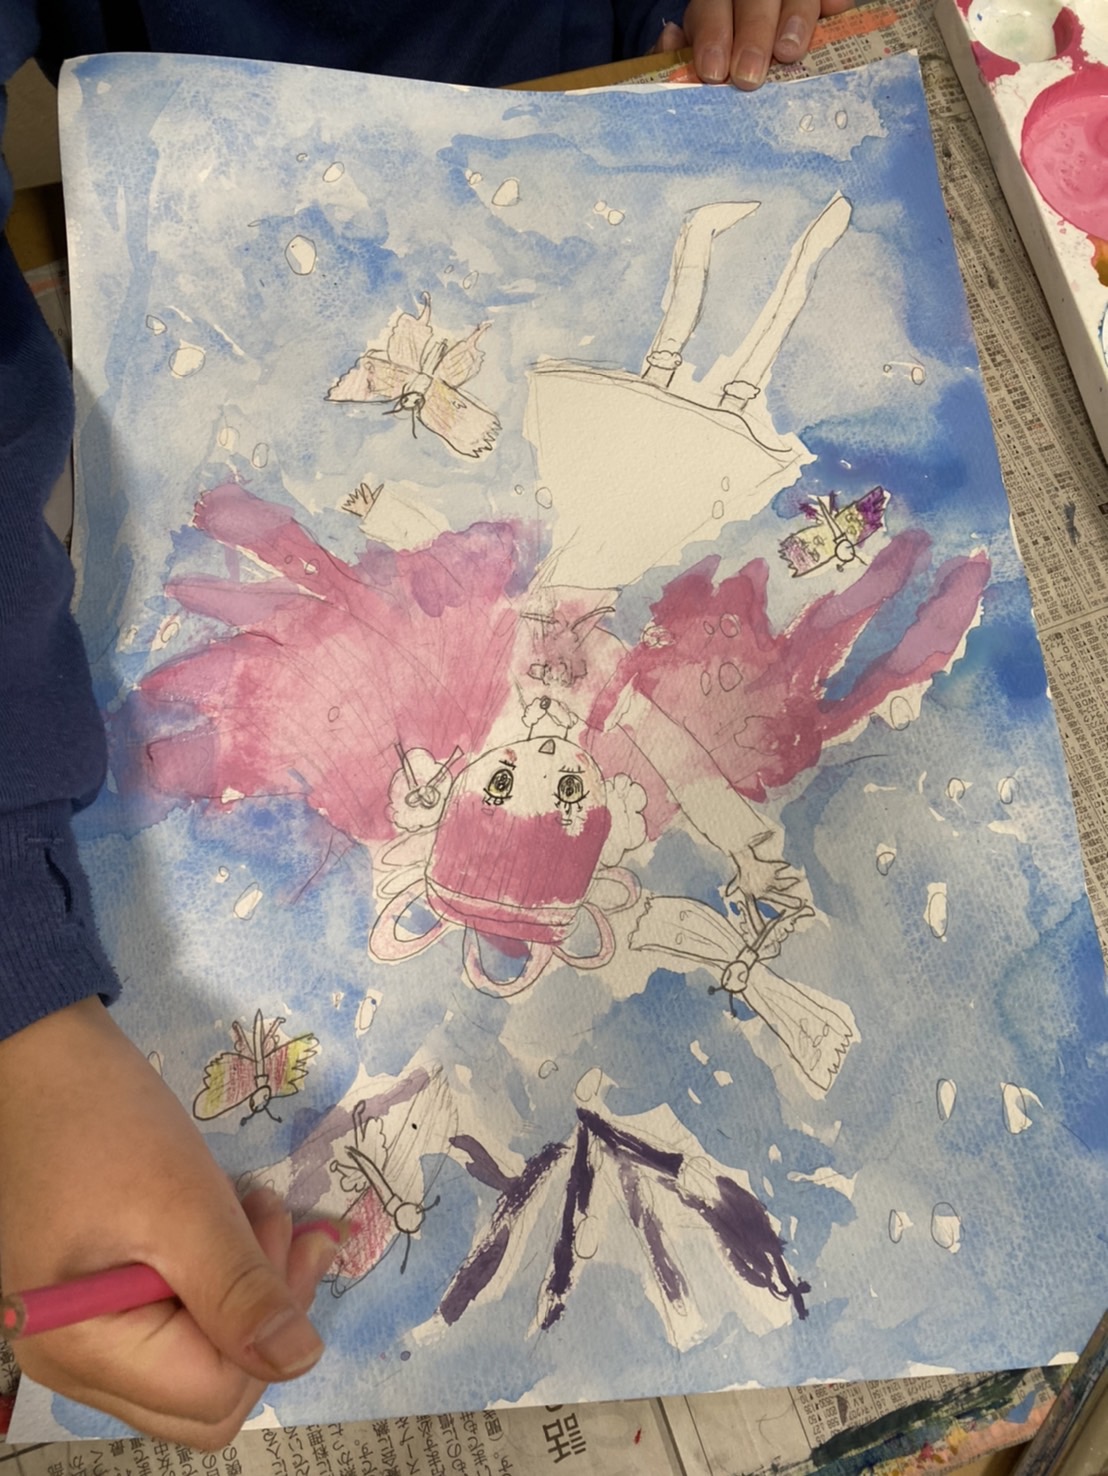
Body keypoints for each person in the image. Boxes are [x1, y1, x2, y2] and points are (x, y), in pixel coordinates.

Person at [0, 0, 848, 1447]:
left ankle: (784, 247)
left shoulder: (509, 685)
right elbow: (664, 810)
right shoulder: (576, 693)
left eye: (510, 788)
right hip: (255, 133)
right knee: (714, 371)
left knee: (705, 361)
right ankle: (778, 252)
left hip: (639, 64)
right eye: (557, 795)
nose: (544, 763)